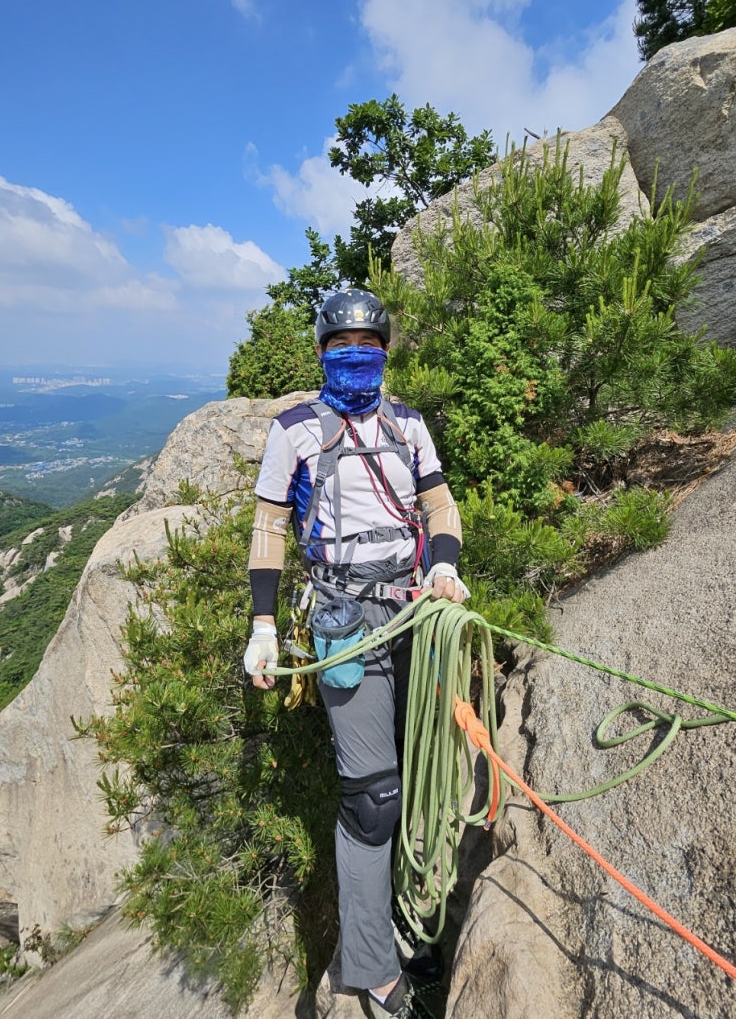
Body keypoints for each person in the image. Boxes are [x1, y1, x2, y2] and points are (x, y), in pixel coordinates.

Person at [243, 289, 468, 1019]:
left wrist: (444, 562)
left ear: (385, 353)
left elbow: (439, 503)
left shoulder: (407, 424)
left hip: (414, 606)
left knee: (427, 768)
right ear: (320, 353)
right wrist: (264, 623)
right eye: (340, 347)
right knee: (373, 796)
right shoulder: (296, 430)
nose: (354, 358)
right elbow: (271, 527)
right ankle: (372, 965)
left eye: (366, 348)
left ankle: (411, 914)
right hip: (344, 619)